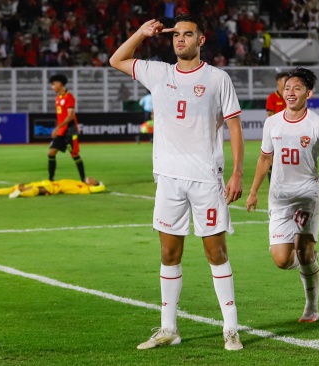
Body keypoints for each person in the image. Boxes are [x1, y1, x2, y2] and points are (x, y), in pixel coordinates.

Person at [109, 15, 245, 351]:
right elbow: (116, 60)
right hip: (168, 180)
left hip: (205, 180)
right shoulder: (158, 73)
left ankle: (231, 328)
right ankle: (168, 328)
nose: (180, 39)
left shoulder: (217, 78)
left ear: (201, 40)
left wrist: (238, 172)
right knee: (169, 253)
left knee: (216, 253)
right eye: (176, 35)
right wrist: (141, 32)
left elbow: (235, 127)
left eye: (188, 35)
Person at [245, 68, 319, 323]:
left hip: (307, 195)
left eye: (296, 88)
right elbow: (264, 158)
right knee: (282, 260)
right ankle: (311, 261)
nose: (290, 93)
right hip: (279, 197)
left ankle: (311, 307)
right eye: (287, 88)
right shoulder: (272, 122)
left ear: (308, 93)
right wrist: (252, 192)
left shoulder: (317, 124)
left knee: (303, 252)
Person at [48, 74, 86, 182]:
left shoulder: (69, 97)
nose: (52, 87)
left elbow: (70, 116)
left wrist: (57, 127)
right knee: (51, 153)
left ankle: (83, 180)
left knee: (74, 154)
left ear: (60, 84)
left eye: (53, 84)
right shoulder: (58, 98)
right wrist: (59, 128)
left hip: (70, 130)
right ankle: (51, 180)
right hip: (61, 131)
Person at [0, 177, 105, 198]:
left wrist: (100, 185)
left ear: (93, 184)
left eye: (94, 180)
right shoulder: (81, 183)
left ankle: (21, 194)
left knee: (36, 191)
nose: (91, 178)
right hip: (47, 183)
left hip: (53, 188)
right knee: (18, 186)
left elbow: (100, 188)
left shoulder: (85, 189)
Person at [265, 72, 288, 180]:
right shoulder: (272, 98)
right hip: (277, 132)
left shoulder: (291, 97)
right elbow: (269, 115)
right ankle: (272, 183)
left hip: (290, 132)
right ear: (278, 82)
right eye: (284, 80)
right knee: (272, 159)